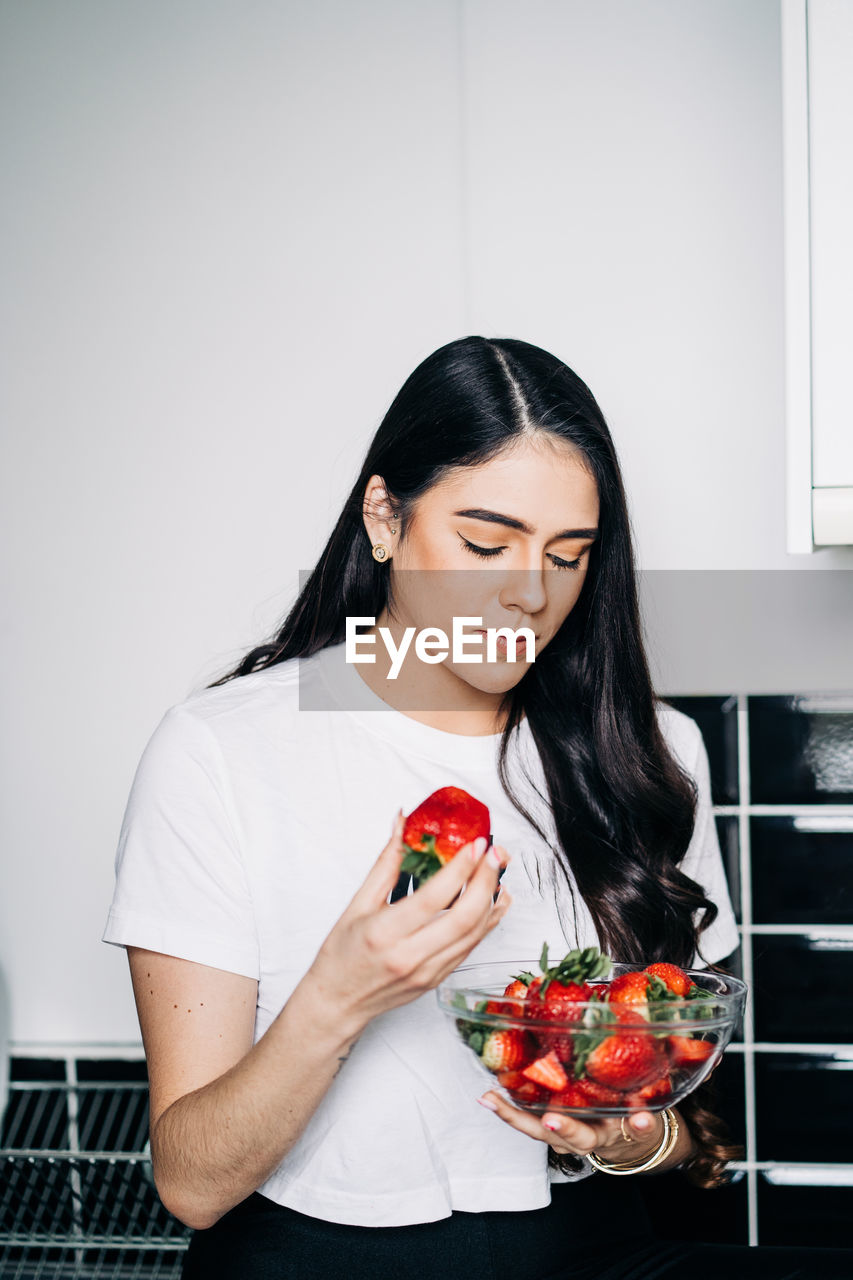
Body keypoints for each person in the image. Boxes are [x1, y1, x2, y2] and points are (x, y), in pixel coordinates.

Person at [103, 337, 852, 1279]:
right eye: (484, 544)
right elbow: (191, 1185)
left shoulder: (648, 752)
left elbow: (699, 1145)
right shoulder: (220, 751)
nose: (529, 594)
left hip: (595, 1245)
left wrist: (632, 1141)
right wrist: (341, 993)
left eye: (569, 555)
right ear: (384, 517)